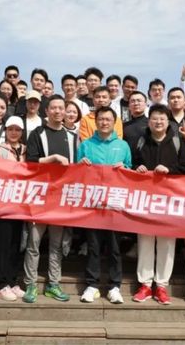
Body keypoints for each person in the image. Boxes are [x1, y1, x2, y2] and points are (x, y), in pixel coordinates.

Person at [132, 105, 185, 305]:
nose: (158, 122)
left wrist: (169, 169)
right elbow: (132, 164)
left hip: (169, 200)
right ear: (149, 121)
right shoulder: (141, 140)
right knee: (145, 241)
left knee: (167, 243)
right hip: (146, 200)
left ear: (168, 122)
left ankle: (162, 286)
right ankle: (145, 285)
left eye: (162, 119)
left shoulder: (176, 141)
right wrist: (138, 168)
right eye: (155, 118)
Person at [23, 95, 78, 304]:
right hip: (39, 197)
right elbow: (30, 162)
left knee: (57, 244)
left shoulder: (72, 137)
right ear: (46, 111)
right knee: (33, 243)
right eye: (53, 108)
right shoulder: (37, 133)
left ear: (65, 111)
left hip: (61, 198)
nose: (57, 111)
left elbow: (75, 167)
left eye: (61, 108)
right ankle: (30, 284)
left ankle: (53, 284)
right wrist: (53, 159)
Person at [78, 107, 131, 304]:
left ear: (114, 122)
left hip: (115, 204)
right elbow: (76, 173)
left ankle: (114, 286)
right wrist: (80, 165)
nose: (104, 122)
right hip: (92, 204)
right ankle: (91, 285)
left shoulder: (123, 145)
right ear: (96, 121)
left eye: (108, 119)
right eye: (101, 119)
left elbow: (130, 170)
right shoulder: (86, 144)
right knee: (93, 246)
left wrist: (125, 168)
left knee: (114, 247)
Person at [0, 116, 27, 301]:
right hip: (3, 205)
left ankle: (12, 281)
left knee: (16, 245)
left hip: (20, 205)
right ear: (5, 130)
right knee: (2, 245)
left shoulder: (26, 150)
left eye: (17, 129)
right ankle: (0, 284)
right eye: (11, 129)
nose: (14, 132)